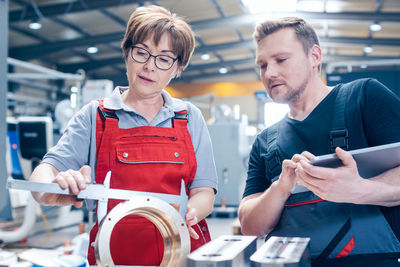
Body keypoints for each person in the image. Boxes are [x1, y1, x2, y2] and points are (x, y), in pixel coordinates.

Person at [29, 5, 217, 266]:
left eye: (164, 59)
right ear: (127, 53)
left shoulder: (189, 118)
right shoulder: (95, 116)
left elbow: (205, 191)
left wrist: (190, 212)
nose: (150, 66)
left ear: (177, 68)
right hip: (113, 257)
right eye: (142, 53)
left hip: (180, 252)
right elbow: (41, 180)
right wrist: (57, 184)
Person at [238, 17, 400, 266]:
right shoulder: (265, 142)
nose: (269, 73)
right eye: (262, 65)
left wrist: (359, 189)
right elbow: (249, 225)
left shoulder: (364, 98)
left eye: (281, 60)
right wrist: (281, 188)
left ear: (314, 57)